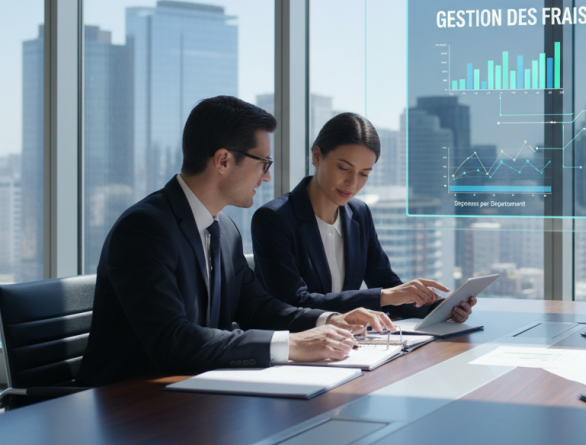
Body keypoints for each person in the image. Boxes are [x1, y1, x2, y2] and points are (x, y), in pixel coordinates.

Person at [78, 96, 395, 387]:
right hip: (127, 405)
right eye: (263, 163)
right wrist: (292, 345)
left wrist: (329, 320)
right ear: (223, 161)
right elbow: (171, 340)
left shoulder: (225, 229)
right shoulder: (145, 229)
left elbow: (258, 308)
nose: (267, 177)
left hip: (195, 397)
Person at [252, 112, 475, 322]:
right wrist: (384, 296)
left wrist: (442, 310)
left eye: (364, 174)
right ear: (317, 156)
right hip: (297, 347)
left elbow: (386, 284)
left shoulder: (359, 214)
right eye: (343, 168)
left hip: (349, 344)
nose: (353, 183)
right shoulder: (274, 219)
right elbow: (294, 302)